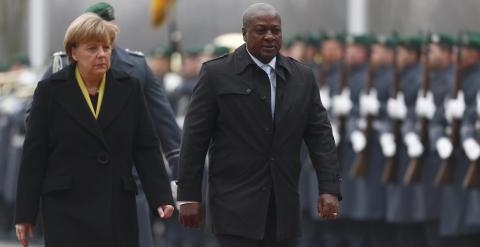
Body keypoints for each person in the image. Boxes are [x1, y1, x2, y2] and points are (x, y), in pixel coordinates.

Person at [176, 3, 341, 247]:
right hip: (234, 205)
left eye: (276, 30)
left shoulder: (302, 77)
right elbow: (194, 139)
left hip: (283, 204)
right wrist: (188, 196)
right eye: (261, 30)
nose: (270, 37)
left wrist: (329, 187)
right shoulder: (217, 74)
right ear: (244, 33)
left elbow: (321, 136)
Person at [14, 13, 174, 247]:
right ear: (73, 53)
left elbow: (145, 146)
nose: (102, 54)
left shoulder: (129, 88)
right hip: (65, 207)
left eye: (106, 47)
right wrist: (25, 214)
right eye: (92, 48)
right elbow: (34, 154)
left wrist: (160, 195)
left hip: (116, 205)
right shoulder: (50, 90)